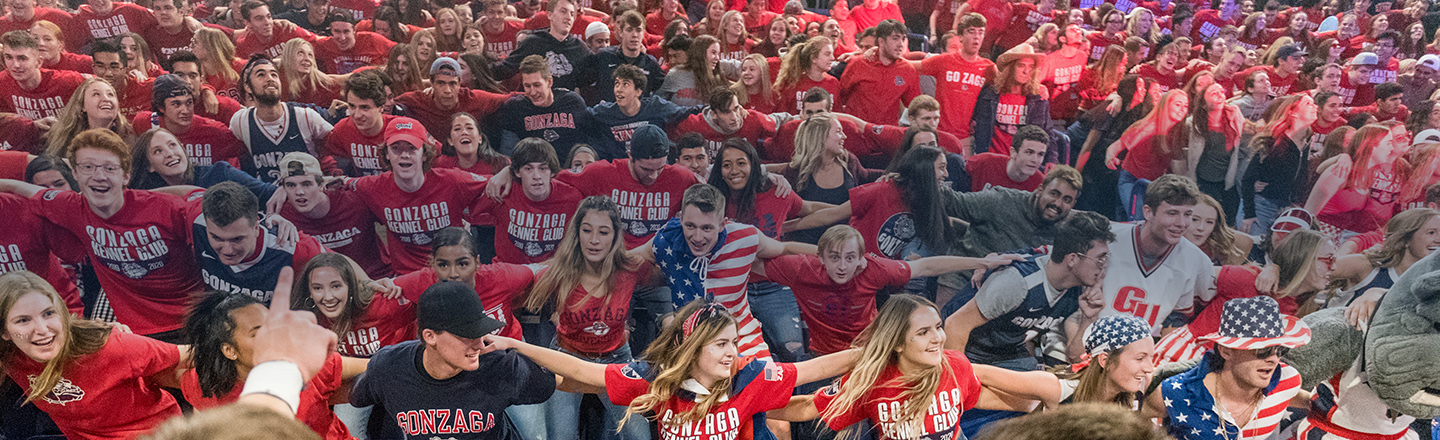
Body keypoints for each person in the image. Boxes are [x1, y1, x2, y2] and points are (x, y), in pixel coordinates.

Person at [483, 299, 858, 440]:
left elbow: (815, 368)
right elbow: (586, 372)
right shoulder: (657, 377)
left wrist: (874, 354)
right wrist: (518, 346)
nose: (732, 352)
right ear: (691, 348)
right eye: (721, 344)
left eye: (734, 342)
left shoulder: (749, 374)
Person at [0, 129, 205, 340]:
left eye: (109, 168)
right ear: (75, 174)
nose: (99, 176)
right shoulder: (71, 206)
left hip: (194, 323)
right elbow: (25, 189)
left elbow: (202, 200)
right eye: (88, 167)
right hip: (136, 334)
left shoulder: (167, 208)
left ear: (126, 176)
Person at [349, 280, 556, 440]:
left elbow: (557, 381)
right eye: (466, 336)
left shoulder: (500, 364)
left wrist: (518, 345)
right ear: (430, 336)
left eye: (480, 332)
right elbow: (355, 396)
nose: (479, 343)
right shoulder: (389, 366)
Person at [629, 183, 816, 360]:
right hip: (690, 340)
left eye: (707, 228)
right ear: (680, 218)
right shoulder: (666, 240)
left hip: (741, 337)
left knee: (767, 378)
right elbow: (626, 259)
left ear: (722, 224)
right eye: (690, 226)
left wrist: (825, 254)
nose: (697, 237)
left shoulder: (745, 237)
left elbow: (784, 248)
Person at [516, 196, 651, 440]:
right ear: (577, 233)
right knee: (561, 436)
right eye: (587, 230)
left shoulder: (631, 267)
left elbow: (664, 261)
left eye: (603, 232)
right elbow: (509, 291)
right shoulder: (557, 272)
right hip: (567, 357)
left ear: (615, 236)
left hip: (616, 359)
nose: (594, 240)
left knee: (639, 436)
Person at [0, 270, 189, 439]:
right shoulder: (12, 356)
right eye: (23, 320)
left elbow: (194, 356)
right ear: (5, 332)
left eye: (49, 313)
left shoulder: (109, 346)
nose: (42, 329)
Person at [943, 211, 1115, 370]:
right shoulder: (1018, 282)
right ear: (1072, 259)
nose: (1104, 266)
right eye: (1100, 258)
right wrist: (958, 381)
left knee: (1041, 387)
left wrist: (1089, 318)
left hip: (1004, 352)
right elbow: (955, 325)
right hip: (966, 345)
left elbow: (1077, 357)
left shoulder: (1079, 290)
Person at [180, 290, 361, 439]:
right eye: (257, 332)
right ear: (229, 350)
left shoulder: (306, 360)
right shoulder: (203, 384)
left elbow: (374, 369)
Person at [1154, 229, 1333, 364]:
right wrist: (1173, 321)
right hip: (1187, 357)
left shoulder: (1303, 305)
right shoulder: (1250, 279)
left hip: (1226, 370)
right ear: (1303, 259)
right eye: (1328, 260)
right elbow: (1181, 275)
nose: (1334, 267)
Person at [1144, 296, 1310, 440]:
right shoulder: (1176, 392)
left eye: (1280, 350)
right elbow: (1136, 421)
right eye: (1263, 351)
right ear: (1226, 352)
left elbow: (1299, 397)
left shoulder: (1287, 379)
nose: (1274, 359)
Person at [347, 117, 490, 274]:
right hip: (406, 277)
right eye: (396, 148)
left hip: (451, 273)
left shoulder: (453, 181)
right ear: (386, 154)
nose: (404, 155)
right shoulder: (372, 186)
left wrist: (504, 175)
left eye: (412, 148)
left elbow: (494, 182)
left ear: (424, 154)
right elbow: (343, 182)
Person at [789, 147, 962, 262]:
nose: (946, 174)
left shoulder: (925, 200)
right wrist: (784, 228)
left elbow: (946, 225)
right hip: (857, 271)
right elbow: (831, 215)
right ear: (924, 170)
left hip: (891, 281)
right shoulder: (880, 190)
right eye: (941, 167)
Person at [1098, 174, 1216, 334]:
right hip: (1092, 337)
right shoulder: (1108, 240)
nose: (1181, 223)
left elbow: (1179, 318)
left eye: (1188, 214)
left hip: (1148, 345)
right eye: (1172, 213)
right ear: (1148, 212)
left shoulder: (1197, 261)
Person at [973, 315, 1157, 412]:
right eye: (1140, 358)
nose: (1149, 368)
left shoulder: (1139, 388)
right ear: (1104, 360)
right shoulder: (1058, 388)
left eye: (1151, 357)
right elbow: (975, 372)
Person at [467, 138, 583, 265]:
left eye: (543, 168)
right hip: (509, 272)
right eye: (528, 169)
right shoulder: (501, 191)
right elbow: (466, 209)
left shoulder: (573, 198)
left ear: (552, 172)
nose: (537, 176)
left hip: (552, 273)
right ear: (517, 172)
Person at [229, 56, 335, 183]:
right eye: (261, 75)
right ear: (247, 87)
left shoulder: (305, 116)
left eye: (274, 74)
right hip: (269, 192)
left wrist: (332, 176)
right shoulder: (241, 121)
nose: (270, 78)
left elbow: (336, 147)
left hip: (306, 192)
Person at [1305, 124, 1407, 237]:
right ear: (1371, 145)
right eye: (1388, 143)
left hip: (1341, 237)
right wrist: (1342, 156)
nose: (1391, 148)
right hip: (1321, 234)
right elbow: (1308, 214)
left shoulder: (1368, 174)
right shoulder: (1341, 171)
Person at [1241, 94, 1319, 234]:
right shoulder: (1274, 141)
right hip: (1262, 205)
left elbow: (1300, 176)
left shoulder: (1306, 140)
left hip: (1285, 208)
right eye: (1308, 104)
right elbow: (1247, 179)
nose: (1316, 107)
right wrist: (1249, 214)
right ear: (1293, 113)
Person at [133, 74, 248, 169]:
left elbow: (246, 153)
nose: (185, 111)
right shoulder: (143, 123)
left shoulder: (215, 131)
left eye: (189, 102)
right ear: (161, 107)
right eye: (176, 104)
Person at [587, 65, 700, 160]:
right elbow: (581, 115)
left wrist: (708, 108)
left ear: (638, 91)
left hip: (653, 166)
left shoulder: (655, 106)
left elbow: (685, 112)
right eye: (617, 84)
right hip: (620, 170)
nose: (619, 89)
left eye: (625, 84)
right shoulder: (604, 111)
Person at [491, 54, 592, 160]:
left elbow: (588, 143)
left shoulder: (572, 102)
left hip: (569, 167)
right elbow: (508, 153)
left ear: (549, 82)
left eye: (537, 85)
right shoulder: (515, 108)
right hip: (533, 167)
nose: (533, 92)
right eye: (527, 86)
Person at [394, 56, 510, 140]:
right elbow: (388, 105)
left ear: (460, 83)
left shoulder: (473, 98)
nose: (447, 90)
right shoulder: (417, 100)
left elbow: (511, 98)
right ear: (432, 83)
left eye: (452, 84)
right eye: (441, 83)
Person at [838, 19, 919, 126]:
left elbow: (915, 106)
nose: (901, 44)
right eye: (895, 39)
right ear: (881, 42)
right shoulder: (857, 64)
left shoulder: (908, 69)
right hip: (855, 131)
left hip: (886, 133)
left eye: (903, 39)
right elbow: (840, 97)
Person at [493, 0, 589, 90]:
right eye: (563, 11)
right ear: (550, 15)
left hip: (567, 100)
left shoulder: (580, 48)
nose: (568, 17)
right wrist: (483, 68)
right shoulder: (533, 42)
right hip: (535, 98)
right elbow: (504, 70)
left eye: (572, 14)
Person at [576, 10, 665, 104]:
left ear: (643, 33)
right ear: (621, 32)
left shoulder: (651, 65)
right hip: (609, 112)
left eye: (638, 30)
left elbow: (662, 95)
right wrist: (596, 105)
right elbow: (580, 83)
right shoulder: (603, 57)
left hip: (637, 113)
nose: (634, 35)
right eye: (629, 30)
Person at [672, 88, 782, 161]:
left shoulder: (753, 119)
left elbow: (784, 120)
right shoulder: (694, 124)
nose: (734, 117)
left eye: (736, 109)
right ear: (713, 114)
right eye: (726, 112)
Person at [0, 30, 86, 120]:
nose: (16, 65)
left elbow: (95, 83)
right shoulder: (3, 82)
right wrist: (32, 125)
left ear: (39, 62)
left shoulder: (68, 81)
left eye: (22, 58)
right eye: (9, 57)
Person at [323, 72, 394, 176]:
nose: (357, 115)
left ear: (381, 107)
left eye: (364, 107)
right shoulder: (342, 129)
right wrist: (337, 174)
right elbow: (328, 159)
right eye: (352, 106)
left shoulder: (398, 128)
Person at [45, 77, 134, 158]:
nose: (106, 99)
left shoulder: (131, 138)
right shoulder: (63, 140)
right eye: (96, 94)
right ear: (82, 105)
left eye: (110, 94)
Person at [967, 124, 1049, 192]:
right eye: (1029, 152)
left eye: (1040, 154)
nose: (1035, 160)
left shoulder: (1041, 184)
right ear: (1013, 152)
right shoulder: (983, 162)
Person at [659, 34, 733, 107]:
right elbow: (659, 102)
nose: (717, 58)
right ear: (700, 52)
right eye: (713, 52)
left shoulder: (718, 78)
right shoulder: (676, 74)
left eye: (718, 54)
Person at [775, 36, 840, 115]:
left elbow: (838, 114)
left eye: (832, 54)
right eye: (827, 54)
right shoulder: (794, 81)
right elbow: (782, 115)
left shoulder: (833, 82)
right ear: (813, 58)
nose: (832, 58)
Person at [234, 1, 320, 59]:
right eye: (259, 19)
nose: (267, 22)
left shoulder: (286, 28)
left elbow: (320, 42)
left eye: (268, 17)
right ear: (247, 23)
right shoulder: (243, 47)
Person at [316, 15, 398, 75]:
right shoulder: (324, 45)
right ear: (331, 31)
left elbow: (401, 51)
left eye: (346, 31)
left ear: (354, 30)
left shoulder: (373, 40)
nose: (342, 38)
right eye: (337, 31)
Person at [1186, 193, 1253, 265]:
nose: (1201, 228)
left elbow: (1246, 240)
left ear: (1215, 225)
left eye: (1209, 222)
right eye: (1195, 220)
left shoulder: (1215, 247)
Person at [275, 38, 345, 107]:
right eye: (300, 53)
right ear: (288, 56)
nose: (307, 58)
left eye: (310, 55)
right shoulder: (275, 78)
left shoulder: (324, 84)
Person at [436, 112, 509, 175]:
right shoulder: (440, 164)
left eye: (469, 128)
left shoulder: (500, 164)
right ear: (450, 141)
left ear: (480, 138)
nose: (464, 132)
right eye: (457, 129)